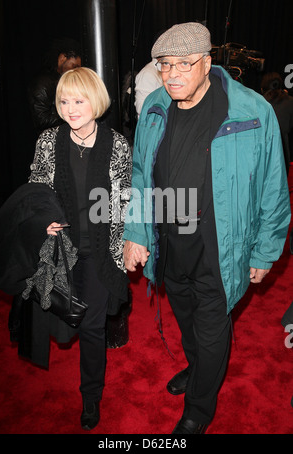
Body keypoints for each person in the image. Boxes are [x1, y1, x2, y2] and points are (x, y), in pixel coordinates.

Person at [123, 23, 291, 434]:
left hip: (222, 244)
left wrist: (266, 251)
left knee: (213, 325)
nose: (172, 74)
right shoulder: (155, 107)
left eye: (184, 64)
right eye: (164, 65)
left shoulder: (252, 111)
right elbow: (142, 173)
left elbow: (274, 185)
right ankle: (198, 369)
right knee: (184, 314)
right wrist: (137, 231)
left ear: (207, 63)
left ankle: (200, 406)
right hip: (169, 241)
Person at [29, 67, 132, 430]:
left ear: (96, 101)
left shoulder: (116, 144)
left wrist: (130, 246)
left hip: (102, 254)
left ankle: (91, 395)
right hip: (62, 252)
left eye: (79, 99)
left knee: (91, 327)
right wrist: (43, 218)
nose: (71, 108)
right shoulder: (48, 141)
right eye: (64, 101)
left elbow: (124, 203)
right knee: (61, 319)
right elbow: (37, 189)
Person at [28, 38, 82, 133]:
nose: (76, 71)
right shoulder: (43, 83)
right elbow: (41, 120)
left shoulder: (66, 81)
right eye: (74, 66)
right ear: (62, 59)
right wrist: (69, 114)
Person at [261, 72, 293, 174]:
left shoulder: (259, 101)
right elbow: (289, 127)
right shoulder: (290, 101)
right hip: (282, 154)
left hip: (262, 153)